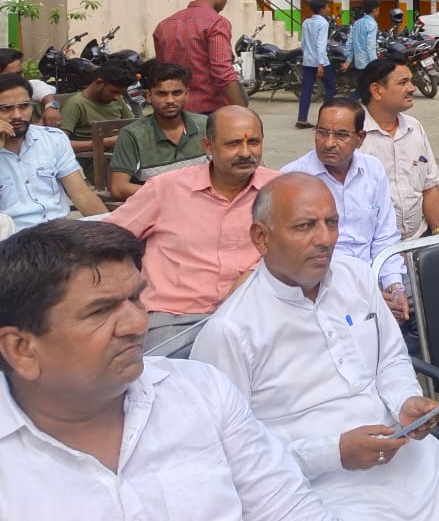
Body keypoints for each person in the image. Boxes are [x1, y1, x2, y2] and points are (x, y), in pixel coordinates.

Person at [189, 174, 439, 521]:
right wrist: (334, 453)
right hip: (321, 492)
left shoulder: (357, 277)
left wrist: (405, 401)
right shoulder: (230, 332)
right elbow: (231, 457)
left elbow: (391, 360)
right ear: (261, 237)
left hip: (416, 463)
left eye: (331, 222)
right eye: (305, 226)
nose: (325, 239)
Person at [0, 219, 339, 520]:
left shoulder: (203, 393)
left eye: (136, 298)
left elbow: (289, 510)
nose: (137, 324)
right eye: (100, 311)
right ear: (21, 349)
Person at [104, 105, 277, 353]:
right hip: (176, 319)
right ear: (208, 146)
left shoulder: (280, 190)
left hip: (255, 313)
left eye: (254, 143)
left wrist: (256, 273)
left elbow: (300, 250)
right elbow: (107, 239)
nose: (245, 153)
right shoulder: (166, 188)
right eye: (233, 144)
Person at [281, 98, 407, 320]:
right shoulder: (292, 180)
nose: (329, 143)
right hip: (321, 289)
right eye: (322, 132)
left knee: (424, 309)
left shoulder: (373, 170)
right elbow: (297, 258)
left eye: (341, 135)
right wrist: (365, 297)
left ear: (360, 138)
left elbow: (385, 236)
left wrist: (394, 286)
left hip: (373, 276)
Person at [0, 75, 107, 229]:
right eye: (5, 108)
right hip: (10, 237)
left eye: (24, 106)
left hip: (57, 232)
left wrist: (109, 230)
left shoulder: (53, 139)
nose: (17, 115)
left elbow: (81, 194)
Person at [357, 57, 439, 239]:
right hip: (372, 246)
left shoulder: (414, 128)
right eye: (403, 82)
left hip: (418, 239)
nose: (412, 88)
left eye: (411, 81)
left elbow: (429, 186)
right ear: (377, 90)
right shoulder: (354, 135)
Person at [152, 0, 247, 114]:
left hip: (175, 111)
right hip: (209, 111)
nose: (224, 5)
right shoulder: (217, 23)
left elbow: (161, 71)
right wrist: (242, 111)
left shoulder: (163, 26)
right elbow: (222, 73)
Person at [108, 62, 207, 201]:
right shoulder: (132, 135)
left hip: (204, 204)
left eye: (177, 93)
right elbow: (118, 188)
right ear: (149, 96)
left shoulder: (206, 125)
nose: (170, 100)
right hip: (156, 208)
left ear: (186, 94)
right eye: (162, 94)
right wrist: (172, 195)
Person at [59, 61, 136, 163]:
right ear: (99, 83)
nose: (117, 97)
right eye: (114, 91)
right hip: (95, 164)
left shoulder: (117, 100)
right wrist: (103, 143)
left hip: (122, 159)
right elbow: (59, 145)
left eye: (121, 93)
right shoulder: (75, 105)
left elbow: (134, 126)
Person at [298, 0, 336, 129]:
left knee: (306, 90)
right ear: (321, 9)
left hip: (308, 61)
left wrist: (306, 56)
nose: (329, 9)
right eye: (327, 7)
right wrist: (320, 64)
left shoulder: (306, 22)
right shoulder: (323, 23)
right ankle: (324, 119)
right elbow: (321, 44)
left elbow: (303, 42)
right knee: (330, 88)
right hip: (321, 61)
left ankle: (302, 118)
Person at [344, 0, 380, 73]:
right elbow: (370, 47)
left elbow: (350, 42)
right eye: (378, 10)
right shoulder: (372, 24)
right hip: (368, 65)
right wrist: (375, 65)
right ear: (374, 10)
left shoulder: (357, 23)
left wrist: (348, 61)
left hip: (358, 64)